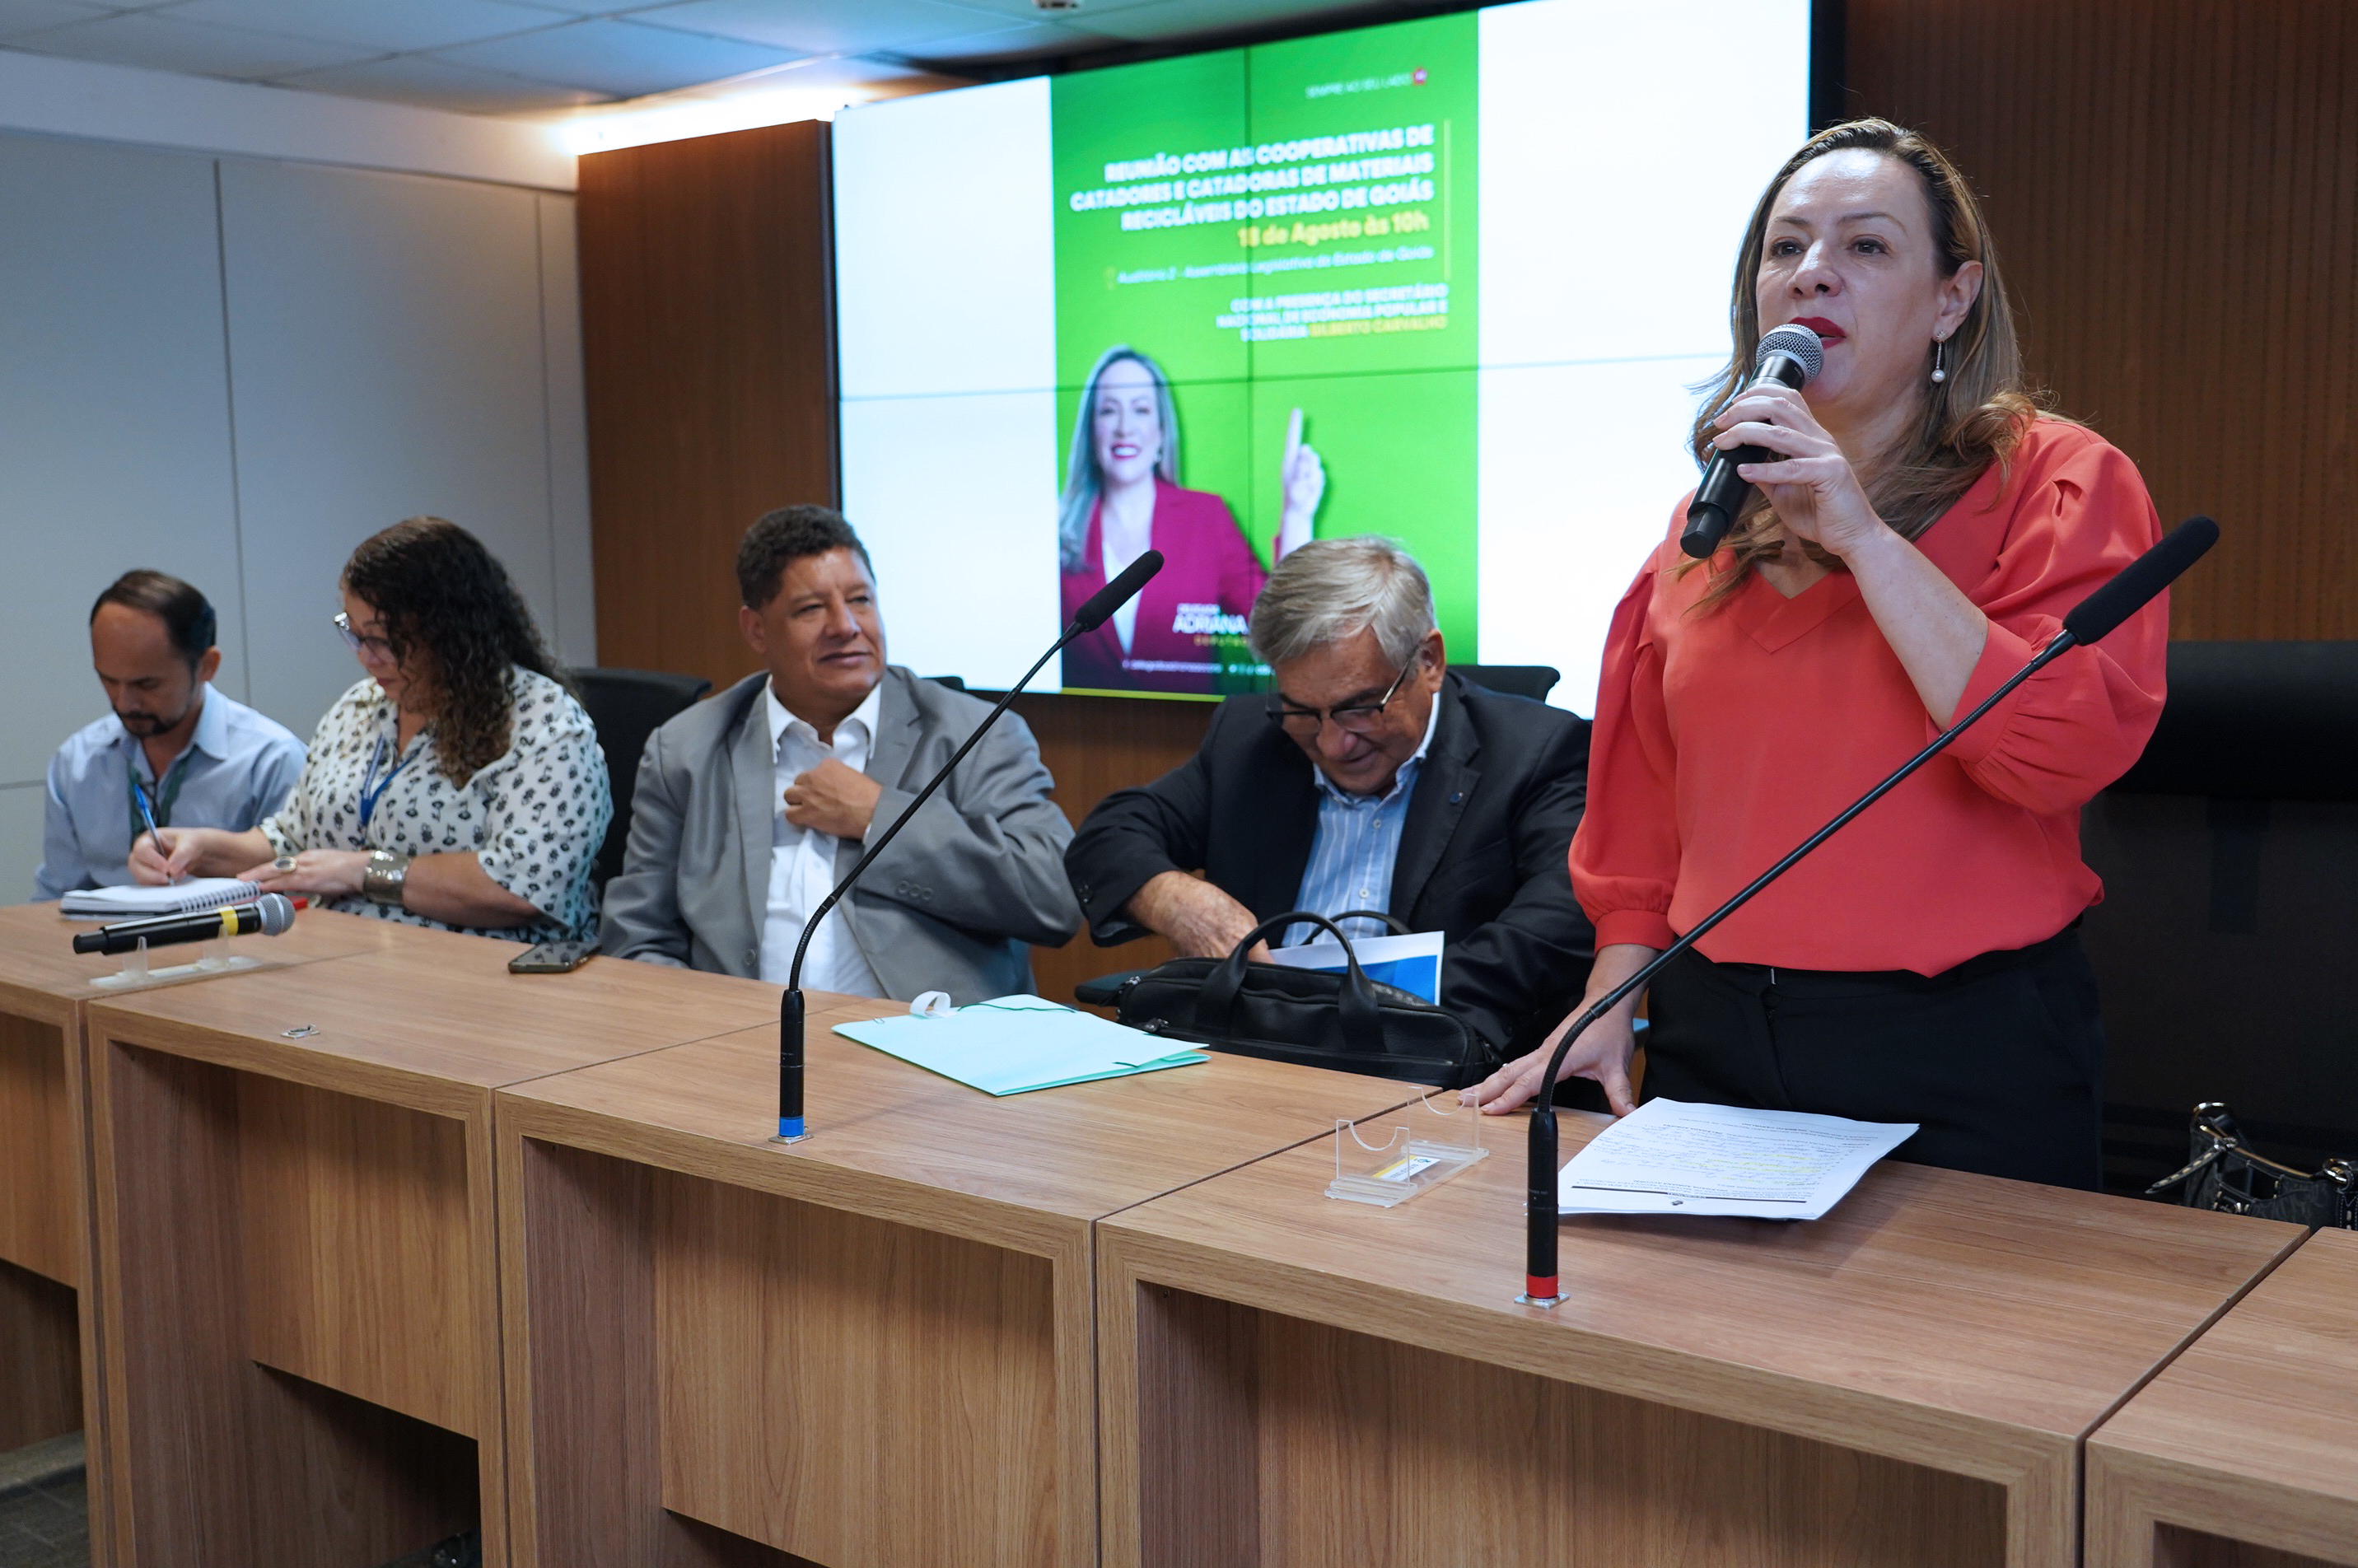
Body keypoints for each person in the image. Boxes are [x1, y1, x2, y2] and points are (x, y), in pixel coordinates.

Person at [1467, 120, 2169, 1192]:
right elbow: (1642, 819)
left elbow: (2056, 749)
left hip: (1960, 1049)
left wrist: (1861, 536)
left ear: (1951, 299)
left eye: (1865, 246)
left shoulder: (2055, 482)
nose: (1811, 274)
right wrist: (1607, 1003)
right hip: (1712, 1036)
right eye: (1784, 248)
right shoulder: (1699, 528)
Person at [1066, 536, 1596, 1070]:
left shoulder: (1536, 752)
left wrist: (1351, 1005)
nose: (1331, 744)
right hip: (1256, 1058)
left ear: (1429, 661)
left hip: (1437, 1068)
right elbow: (1110, 835)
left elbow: (1554, 927)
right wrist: (1175, 900)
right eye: (1301, 711)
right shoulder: (1248, 737)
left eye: (1359, 708)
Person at [600, 505, 1081, 1000]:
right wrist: (706, 1026)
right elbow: (637, 936)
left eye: (860, 600)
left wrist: (878, 816)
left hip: (926, 1039)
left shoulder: (976, 735)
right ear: (756, 630)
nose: (846, 626)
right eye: (811, 609)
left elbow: (1054, 896)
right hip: (739, 1037)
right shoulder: (686, 750)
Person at [134, 518, 609, 942]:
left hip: (482, 972)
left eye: (382, 639)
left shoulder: (541, 722)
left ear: (452, 634)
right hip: (340, 956)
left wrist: (364, 870)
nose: (365, 657)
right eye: (354, 633)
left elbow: (523, 885)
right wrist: (199, 849)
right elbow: (294, 842)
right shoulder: (359, 707)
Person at [1058, 344, 1325, 695]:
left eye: (1141, 409)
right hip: (1078, 722)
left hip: (1189, 723)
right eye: (1108, 410)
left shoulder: (1206, 517)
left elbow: (1277, 627)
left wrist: (1296, 514)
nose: (1124, 427)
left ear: (1162, 432)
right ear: (1090, 433)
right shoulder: (1053, 528)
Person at [35, 572, 304, 899]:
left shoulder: (272, 760)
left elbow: (300, 895)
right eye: (108, 680)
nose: (124, 702)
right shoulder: (76, 762)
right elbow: (57, 900)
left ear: (207, 666)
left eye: (146, 684)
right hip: (104, 932)